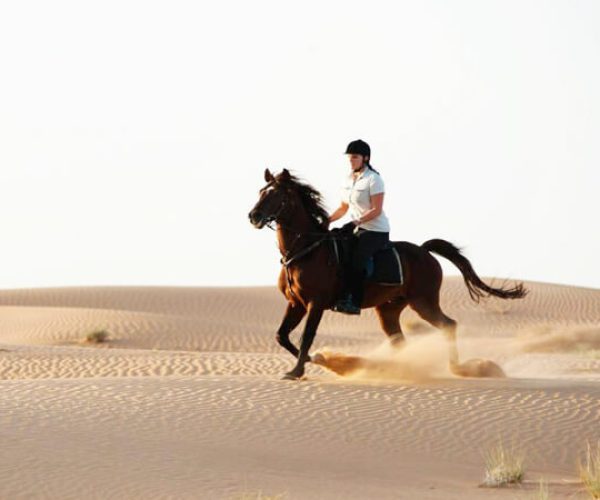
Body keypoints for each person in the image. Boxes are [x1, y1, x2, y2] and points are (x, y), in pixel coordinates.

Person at [329, 139, 391, 315]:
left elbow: (376, 210)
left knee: (357, 258)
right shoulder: (347, 180)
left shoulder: (374, 179)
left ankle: (354, 302)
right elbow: (343, 208)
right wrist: (327, 221)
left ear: (365, 158)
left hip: (375, 230)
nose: (351, 160)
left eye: (354, 157)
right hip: (356, 228)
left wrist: (355, 222)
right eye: (349, 157)